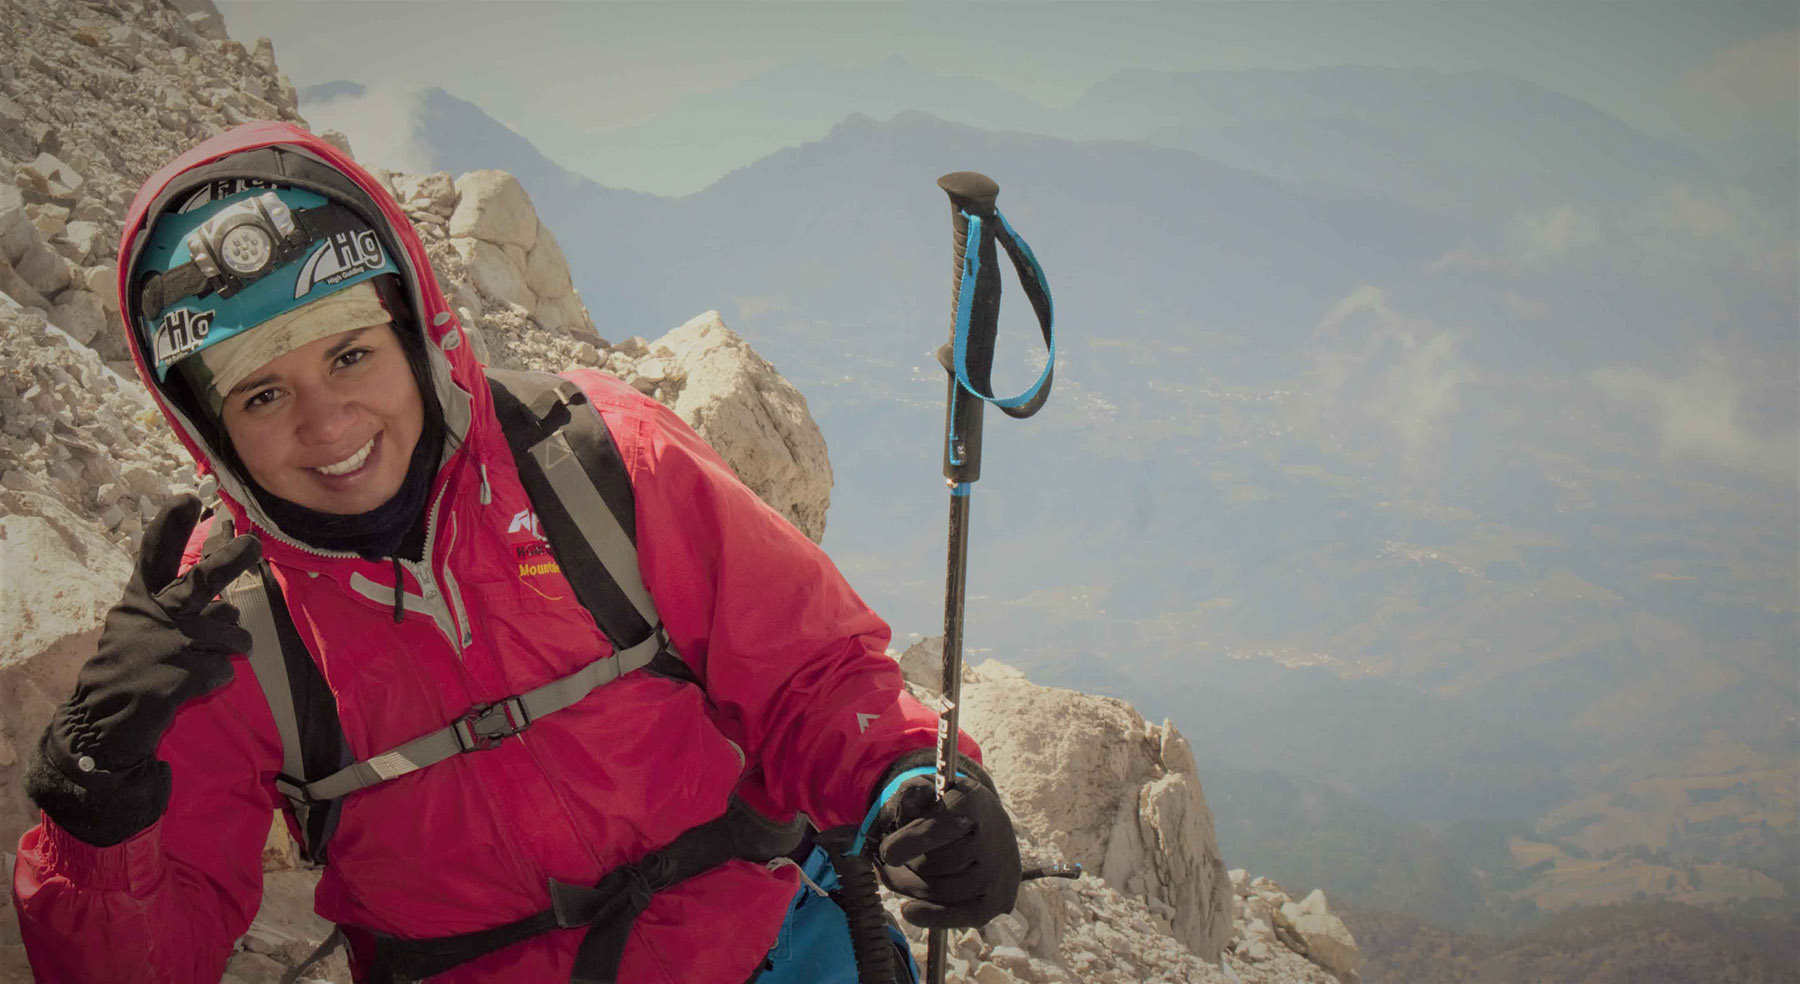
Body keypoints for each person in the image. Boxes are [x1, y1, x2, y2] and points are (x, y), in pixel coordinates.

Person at [12, 121, 1021, 984]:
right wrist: (98, 801)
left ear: (419, 333)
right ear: (210, 430)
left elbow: (811, 673)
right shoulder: (217, 630)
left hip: (767, 948)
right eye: (262, 395)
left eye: (351, 354)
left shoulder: (594, 463)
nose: (326, 424)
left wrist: (909, 785)